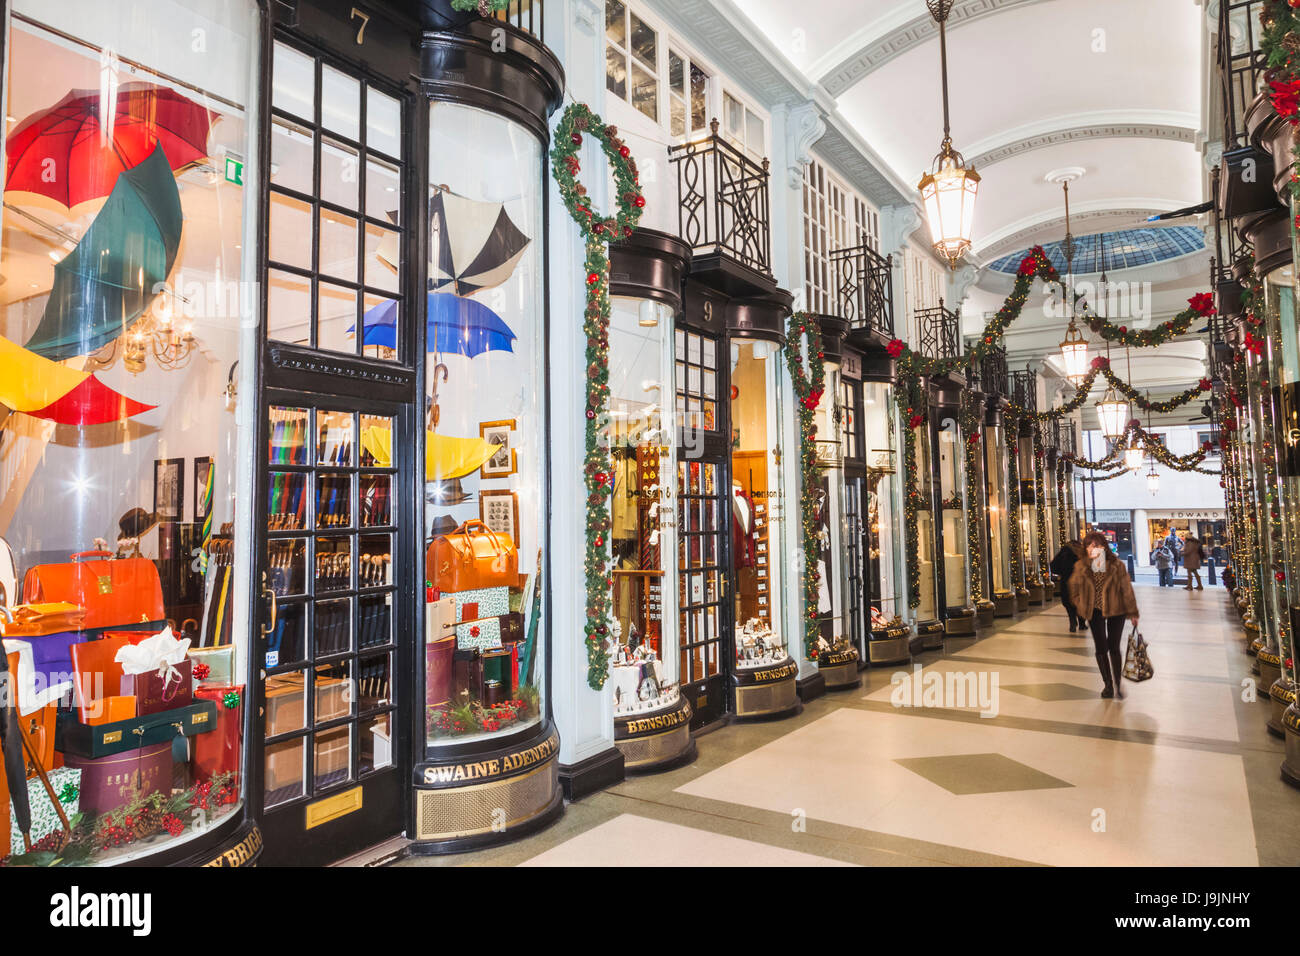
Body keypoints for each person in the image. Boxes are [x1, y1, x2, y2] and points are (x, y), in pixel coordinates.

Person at [1069, 530, 1140, 699]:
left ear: (1104, 547)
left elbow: (1127, 589)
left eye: (1098, 545)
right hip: (1094, 610)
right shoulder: (1081, 566)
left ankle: (1117, 684)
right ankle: (1107, 684)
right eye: (1090, 545)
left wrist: (1133, 612)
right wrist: (1081, 604)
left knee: (1114, 647)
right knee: (1101, 647)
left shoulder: (1116, 565)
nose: (1094, 548)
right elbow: (1074, 588)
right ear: (1085, 548)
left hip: (1117, 609)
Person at [1049, 538, 1086, 631]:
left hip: (1066, 581)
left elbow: (1053, 566)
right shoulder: (1081, 553)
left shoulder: (1063, 553)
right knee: (1080, 602)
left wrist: (1062, 572)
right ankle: (1082, 623)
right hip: (1080, 582)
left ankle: (1072, 621)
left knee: (1068, 602)